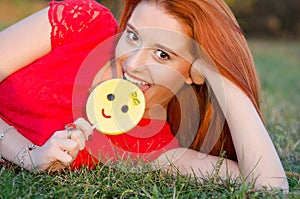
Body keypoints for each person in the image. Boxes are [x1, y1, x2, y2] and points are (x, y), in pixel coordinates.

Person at [0, 0, 288, 191]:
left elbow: (269, 187)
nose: (133, 63)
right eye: (133, 36)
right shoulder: (81, 23)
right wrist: (28, 156)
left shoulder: (151, 146)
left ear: (194, 73)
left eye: (162, 55)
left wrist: (222, 76)